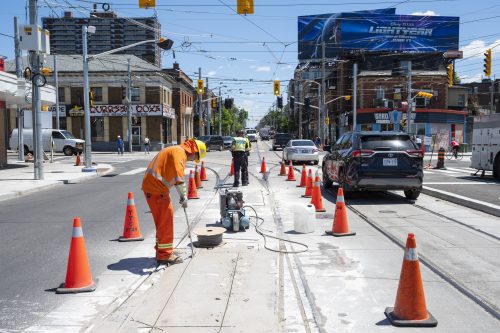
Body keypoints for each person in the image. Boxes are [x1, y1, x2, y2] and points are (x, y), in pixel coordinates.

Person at [142, 138, 206, 265]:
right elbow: (179, 177)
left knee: (162, 222)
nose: (193, 160)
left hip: (156, 189)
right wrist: (184, 196)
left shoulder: (176, 151)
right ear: (194, 151)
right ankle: (165, 255)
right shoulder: (179, 153)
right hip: (156, 190)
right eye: (195, 157)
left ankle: (162, 251)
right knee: (165, 222)